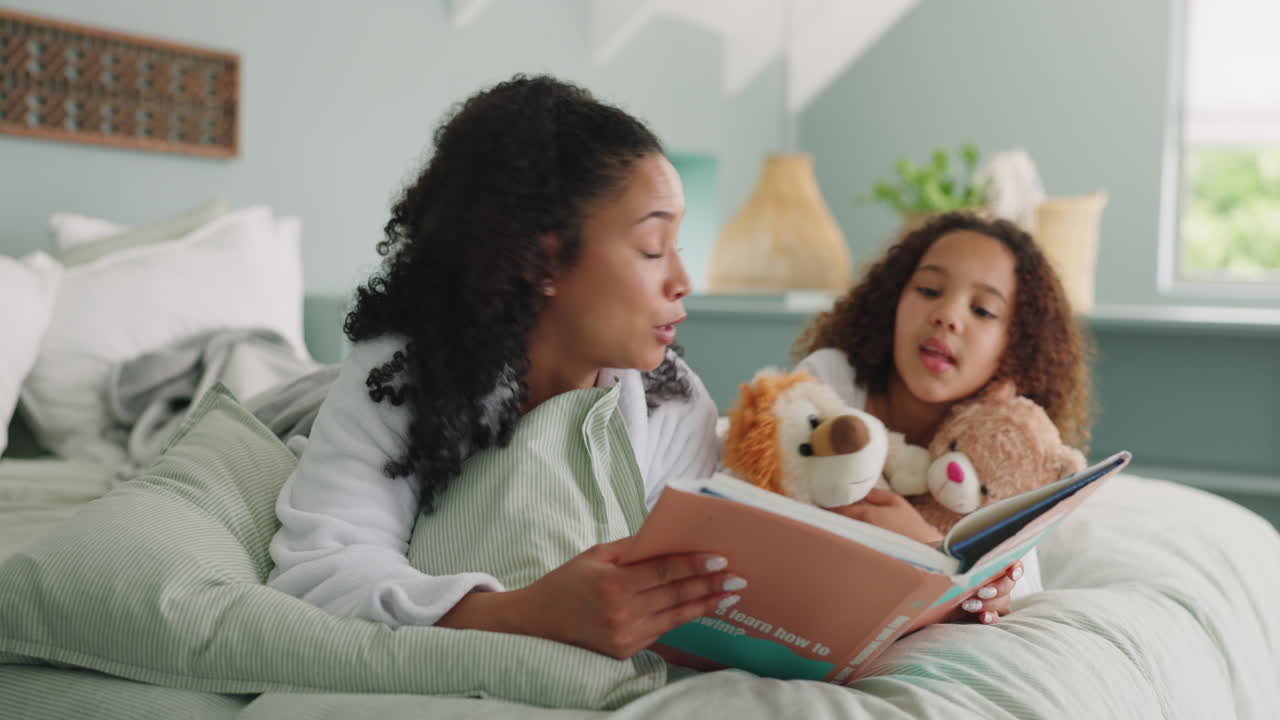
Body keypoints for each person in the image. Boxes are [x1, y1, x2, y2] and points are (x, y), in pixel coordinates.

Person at [267, 74, 742, 660]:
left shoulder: (672, 401)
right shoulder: (399, 378)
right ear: (536, 260)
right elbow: (319, 575)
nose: (683, 282)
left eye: (679, 246)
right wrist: (524, 614)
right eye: (652, 248)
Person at [793, 211, 1093, 624]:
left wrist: (935, 552)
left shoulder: (1007, 447)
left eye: (983, 310)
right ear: (894, 299)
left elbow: (1015, 587)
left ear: (1014, 349)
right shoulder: (829, 383)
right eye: (929, 289)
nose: (947, 315)